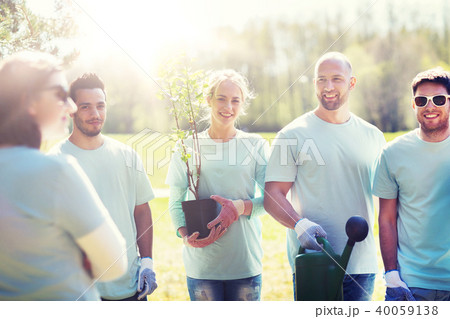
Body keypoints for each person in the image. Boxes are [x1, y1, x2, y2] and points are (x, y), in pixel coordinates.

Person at [0, 52, 127, 301]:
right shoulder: (56, 172)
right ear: (29, 101)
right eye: (60, 94)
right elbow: (115, 264)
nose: (70, 107)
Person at [264, 52, 386, 301]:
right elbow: (272, 195)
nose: (328, 87)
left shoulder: (374, 137)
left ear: (351, 83)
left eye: (336, 79)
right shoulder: (292, 135)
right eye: (321, 80)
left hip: (361, 266)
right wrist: (300, 224)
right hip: (314, 264)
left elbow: (388, 201)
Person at [49, 73, 157, 301]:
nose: (95, 114)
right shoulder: (54, 161)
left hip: (130, 288)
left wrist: (147, 262)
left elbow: (141, 210)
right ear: (71, 110)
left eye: (100, 106)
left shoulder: (127, 155)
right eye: (85, 107)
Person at [166, 69, 268, 301]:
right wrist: (185, 235)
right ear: (208, 99)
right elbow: (175, 200)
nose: (228, 107)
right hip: (202, 266)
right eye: (221, 98)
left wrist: (240, 207)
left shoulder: (256, 145)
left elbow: (270, 202)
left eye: (235, 101)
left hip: (244, 264)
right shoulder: (186, 146)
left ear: (242, 104)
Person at [373, 68, 450, 301]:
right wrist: (391, 274)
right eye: (421, 100)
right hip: (410, 284)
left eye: (438, 99)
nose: (430, 106)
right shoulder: (392, 153)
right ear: (413, 105)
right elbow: (386, 218)